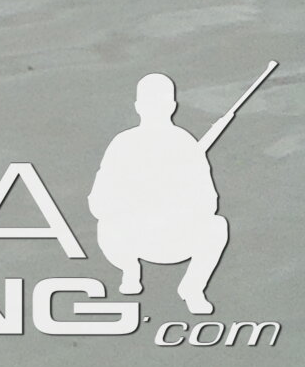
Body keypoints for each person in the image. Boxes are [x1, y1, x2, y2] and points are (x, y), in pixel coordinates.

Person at [89, 73, 231, 315]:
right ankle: (130, 270)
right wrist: (135, 200)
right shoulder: (123, 144)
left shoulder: (185, 145)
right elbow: (98, 202)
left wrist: (175, 200)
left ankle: (192, 288)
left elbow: (209, 203)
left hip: (175, 238)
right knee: (106, 225)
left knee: (217, 226)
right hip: (132, 238)